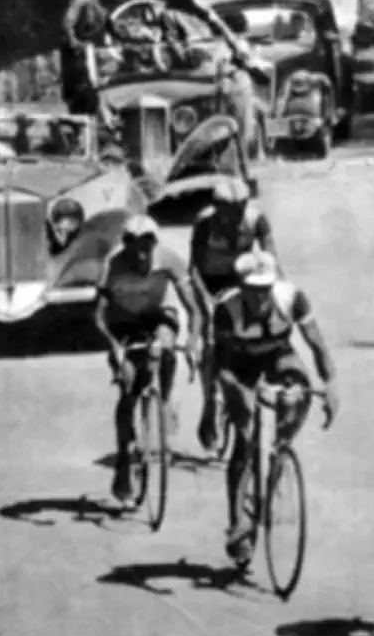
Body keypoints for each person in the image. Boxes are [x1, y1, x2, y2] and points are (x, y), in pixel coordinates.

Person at [212, 250, 338, 566]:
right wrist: (236, 394)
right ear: (241, 288)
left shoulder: (292, 298)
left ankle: (279, 451)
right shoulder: (227, 309)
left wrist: (331, 384)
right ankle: (238, 519)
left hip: (277, 355)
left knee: (300, 387)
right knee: (244, 439)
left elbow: (317, 344)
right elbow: (220, 366)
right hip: (238, 366)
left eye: (264, 288)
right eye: (252, 290)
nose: (259, 297)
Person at [95, 214, 202, 502]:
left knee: (165, 345)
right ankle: (123, 460)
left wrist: (192, 341)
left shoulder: (169, 259)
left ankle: (164, 401)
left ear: (155, 242)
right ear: (125, 242)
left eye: (147, 242)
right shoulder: (113, 264)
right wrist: (115, 346)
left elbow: (194, 310)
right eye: (132, 242)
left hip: (157, 316)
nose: (140, 250)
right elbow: (99, 316)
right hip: (123, 322)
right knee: (128, 382)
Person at [189, 177, 278, 453]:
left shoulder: (257, 221)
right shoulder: (204, 223)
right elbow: (193, 269)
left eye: (241, 207)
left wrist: (279, 294)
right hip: (209, 282)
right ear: (217, 207)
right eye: (231, 209)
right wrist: (204, 301)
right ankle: (210, 400)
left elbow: (272, 261)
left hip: (240, 280)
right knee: (210, 338)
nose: (237, 215)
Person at [60, 0, 128, 115]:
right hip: (79, 54)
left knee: (91, 87)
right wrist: (74, 41)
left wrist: (123, 38)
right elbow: (68, 22)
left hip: (89, 54)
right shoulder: (84, 0)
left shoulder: (100, 11)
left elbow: (112, 28)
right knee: (81, 87)